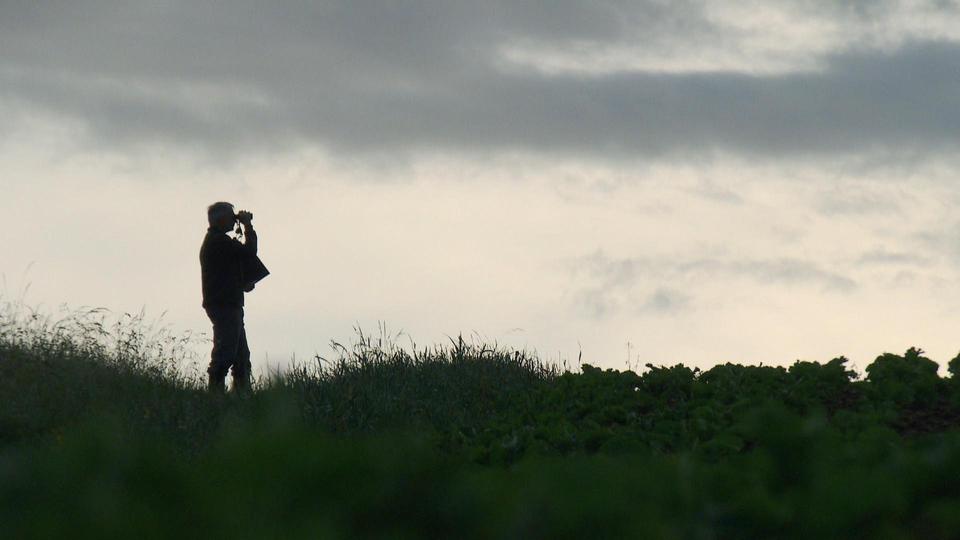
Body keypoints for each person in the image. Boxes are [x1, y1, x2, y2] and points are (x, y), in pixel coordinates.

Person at [200, 202, 269, 392]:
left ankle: (240, 396)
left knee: (240, 357)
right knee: (225, 354)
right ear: (221, 220)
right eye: (231, 217)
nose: (234, 220)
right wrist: (247, 225)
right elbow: (249, 252)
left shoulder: (217, 242)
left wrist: (241, 282)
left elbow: (226, 270)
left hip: (228, 304)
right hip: (225, 306)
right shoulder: (219, 242)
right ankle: (216, 396)